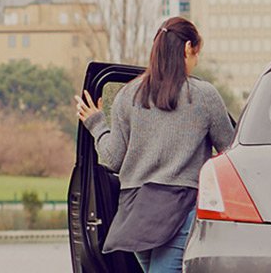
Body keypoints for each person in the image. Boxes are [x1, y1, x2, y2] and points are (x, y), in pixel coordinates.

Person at [74, 16, 236, 273]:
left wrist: (96, 123)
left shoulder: (128, 95)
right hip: (179, 207)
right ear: (186, 49)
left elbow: (113, 159)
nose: (196, 61)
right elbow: (231, 154)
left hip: (135, 212)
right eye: (197, 54)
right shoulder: (204, 96)